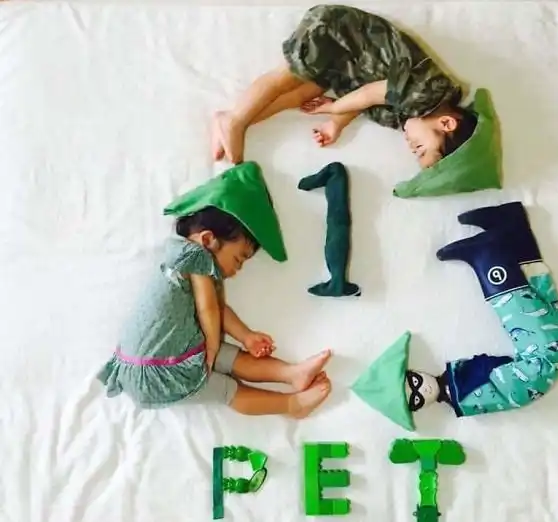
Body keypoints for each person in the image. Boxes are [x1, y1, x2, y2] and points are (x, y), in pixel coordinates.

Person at [97, 163, 332, 418]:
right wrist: (210, 349)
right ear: (208, 239)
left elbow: (217, 309)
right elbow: (208, 309)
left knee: (229, 355)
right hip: (154, 371)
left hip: (160, 355)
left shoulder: (193, 262)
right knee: (225, 388)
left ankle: (292, 374)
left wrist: (246, 336)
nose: (238, 269)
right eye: (239, 259)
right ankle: (291, 406)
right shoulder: (191, 254)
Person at [211, 4, 477, 168]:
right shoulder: (428, 91)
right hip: (340, 35)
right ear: (446, 123)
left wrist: (335, 123)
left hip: (346, 68)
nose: (410, 146)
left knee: (304, 94)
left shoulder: (405, 116)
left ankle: (237, 120)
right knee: (287, 77)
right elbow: (370, 94)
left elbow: (364, 102)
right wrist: (335, 108)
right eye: (419, 148)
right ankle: (236, 119)